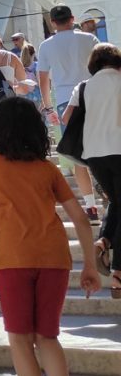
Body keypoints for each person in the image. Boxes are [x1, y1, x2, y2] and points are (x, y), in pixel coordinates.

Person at [0, 97, 100, 376]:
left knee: (20, 340)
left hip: (13, 259)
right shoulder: (46, 169)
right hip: (54, 258)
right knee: (47, 336)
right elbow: (81, 219)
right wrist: (90, 266)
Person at [62, 43, 121, 298]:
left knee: (117, 203)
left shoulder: (83, 86)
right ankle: (118, 272)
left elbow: (66, 118)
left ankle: (104, 241)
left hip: (95, 155)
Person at [38, 4, 100, 223]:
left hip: (66, 101)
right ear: (72, 18)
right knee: (103, 147)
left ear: (53, 22)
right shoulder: (90, 40)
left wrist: (47, 106)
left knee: (77, 154)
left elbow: (43, 78)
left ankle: (91, 208)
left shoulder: (46, 45)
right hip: (94, 96)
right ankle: (109, 195)